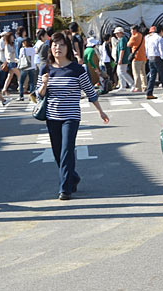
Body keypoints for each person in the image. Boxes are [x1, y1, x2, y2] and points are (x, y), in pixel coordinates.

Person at [36, 32, 109, 201]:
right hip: (52, 116)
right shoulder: (45, 69)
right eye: (55, 45)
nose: (58, 48)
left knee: (67, 150)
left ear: (68, 48)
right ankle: (73, 177)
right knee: (57, 153)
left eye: (62, 45)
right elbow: (38, 95)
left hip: (71, 116)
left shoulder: (76, 69)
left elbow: (89, 91)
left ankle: (65, 189)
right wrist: (44, 84)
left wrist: (100, 111)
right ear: (50, 48)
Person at [145, 25, 163, 100]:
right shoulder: (160, 39)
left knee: (152, 76)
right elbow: (162, 50)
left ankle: (149, 93)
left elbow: (146, 48)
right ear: (161, 31)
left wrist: (147, 56)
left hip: (151, 57)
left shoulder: (148, 38)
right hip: (158, 58)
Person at [127, 25, 147, 92]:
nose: (131, 31)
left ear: (134, 30)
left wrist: (131, 36)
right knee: (143, 73)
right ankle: (144, 86)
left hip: (136, 57)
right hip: (143, 57)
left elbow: (128, 45)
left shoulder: (134, 37)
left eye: (131, 30)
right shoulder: (141, 36)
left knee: (136, 73)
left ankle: (138, 87)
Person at [113, 27, 134, 91]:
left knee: (122, 72)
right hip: (122, 58)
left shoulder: (122, 39)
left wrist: (120, 59)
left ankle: (132, 84)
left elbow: (122, 50)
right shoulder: (121, 39)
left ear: (121, 33)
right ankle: (123, 85)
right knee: (119, 72)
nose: (116, 35)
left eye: (117, 33)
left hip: (123, 58)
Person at [0, 32, 20, 96]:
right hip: (11, 62)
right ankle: (20, 87)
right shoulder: (7, 45)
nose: (13, 38)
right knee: (19, 74)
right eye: (11, 37)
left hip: (13, 61)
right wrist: (13, 52)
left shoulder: (13, 44)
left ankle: (4, 89)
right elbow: (8, 54)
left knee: (10, 76)